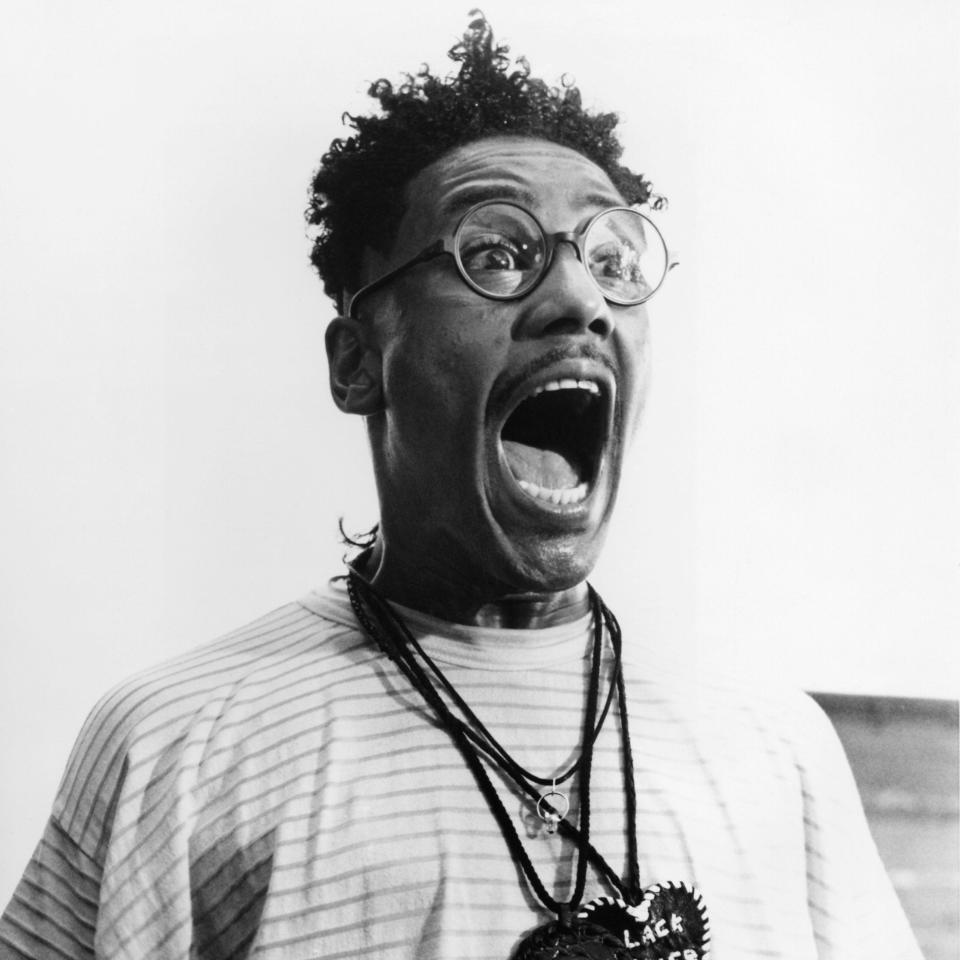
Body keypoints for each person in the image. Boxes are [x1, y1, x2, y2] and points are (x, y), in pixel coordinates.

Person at [0, 16, 922, 960]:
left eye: (611, 259)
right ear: (360, 362)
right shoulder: (177, 748)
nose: (581, 301)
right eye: (494, 253)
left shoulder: (777, 752)